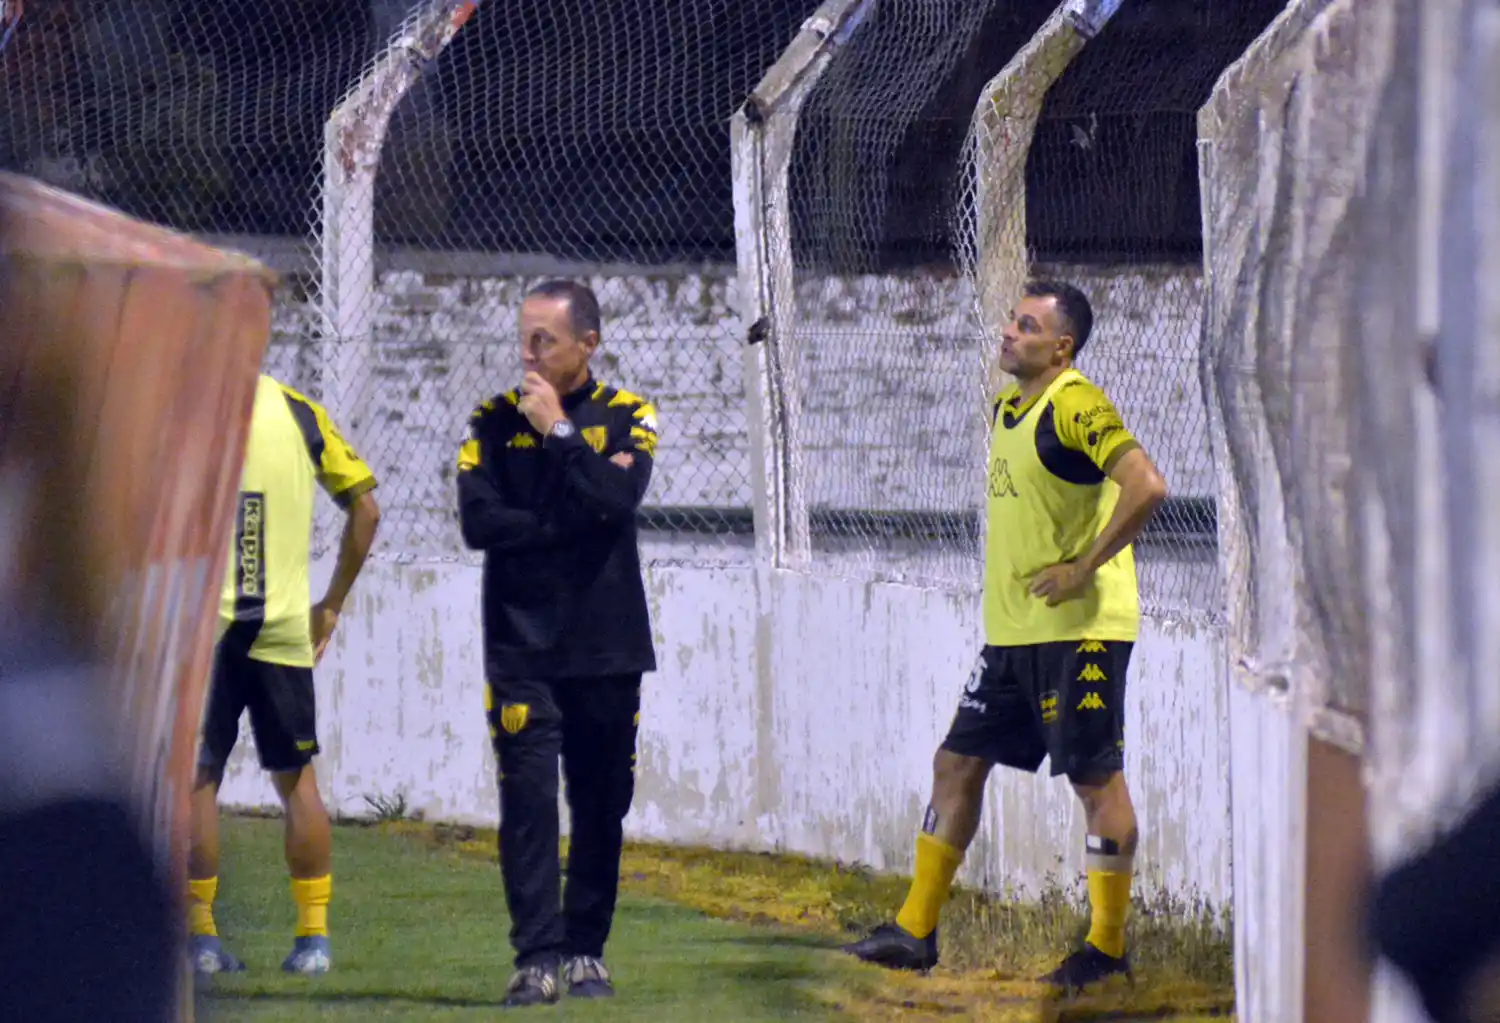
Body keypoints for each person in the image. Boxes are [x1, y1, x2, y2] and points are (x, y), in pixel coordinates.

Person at [842, 280, 1168, 993]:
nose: (1008, 332)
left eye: (1026, 325)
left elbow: (1147, 483)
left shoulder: (1076, 402)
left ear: (1061, 346)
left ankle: (1107, 947)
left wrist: (1084, 567)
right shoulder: (1007, 409)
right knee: (957, 761)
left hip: (1081, 632)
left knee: (1095, 779)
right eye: (1010, 320)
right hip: (1014, 634)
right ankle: (915, 930)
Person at [456, 278, 659, 1008]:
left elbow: (618, 500)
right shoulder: (490, 421)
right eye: (524, 336)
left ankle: (586, 950)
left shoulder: (628, 416)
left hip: (607, 647)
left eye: (543, 338)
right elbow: (479, 524)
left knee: (603, 803)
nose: (527, 352)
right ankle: (535, 956)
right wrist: (568, 519)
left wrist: (561, 438)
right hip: (521, 648)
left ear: (587, 345)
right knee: (531, 800)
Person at [188, 373, 381, 976]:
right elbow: (366, 510)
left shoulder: (179, 402)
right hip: (282, 630)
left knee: (197, 779)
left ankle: (200, 938)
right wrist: (332, 603)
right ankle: (314, 940)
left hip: (207, 630)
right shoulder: (300, 413)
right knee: (298, 782)